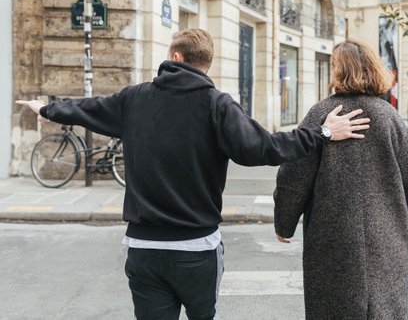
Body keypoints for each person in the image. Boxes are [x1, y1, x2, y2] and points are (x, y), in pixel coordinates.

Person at [16, 29, 371, 320]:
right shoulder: (218, 104)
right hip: (196, 248)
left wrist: (45, 108)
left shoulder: (134, 99)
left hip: (144, 247)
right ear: (206, 65)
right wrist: (322, 133)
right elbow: (264, 148)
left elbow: (84, 109)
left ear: (175, 57)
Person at [273, 38, 408, 319]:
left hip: (332, 239)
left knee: (334, 309)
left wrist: (285, 221)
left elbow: (294, 174)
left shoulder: (322, 114)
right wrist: (405, 224)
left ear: (339, 70)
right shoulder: (389, 117)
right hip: (386, 242)